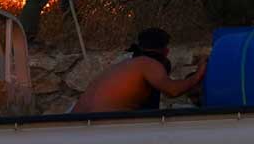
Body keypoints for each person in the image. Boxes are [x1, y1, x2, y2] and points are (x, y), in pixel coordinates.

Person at [71, 28, 207, 113]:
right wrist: (199, 73)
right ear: (166, 51)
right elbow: (172, 90)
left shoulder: (127, 65)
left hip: (76, 123)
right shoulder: (148, 64)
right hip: (98, 125)